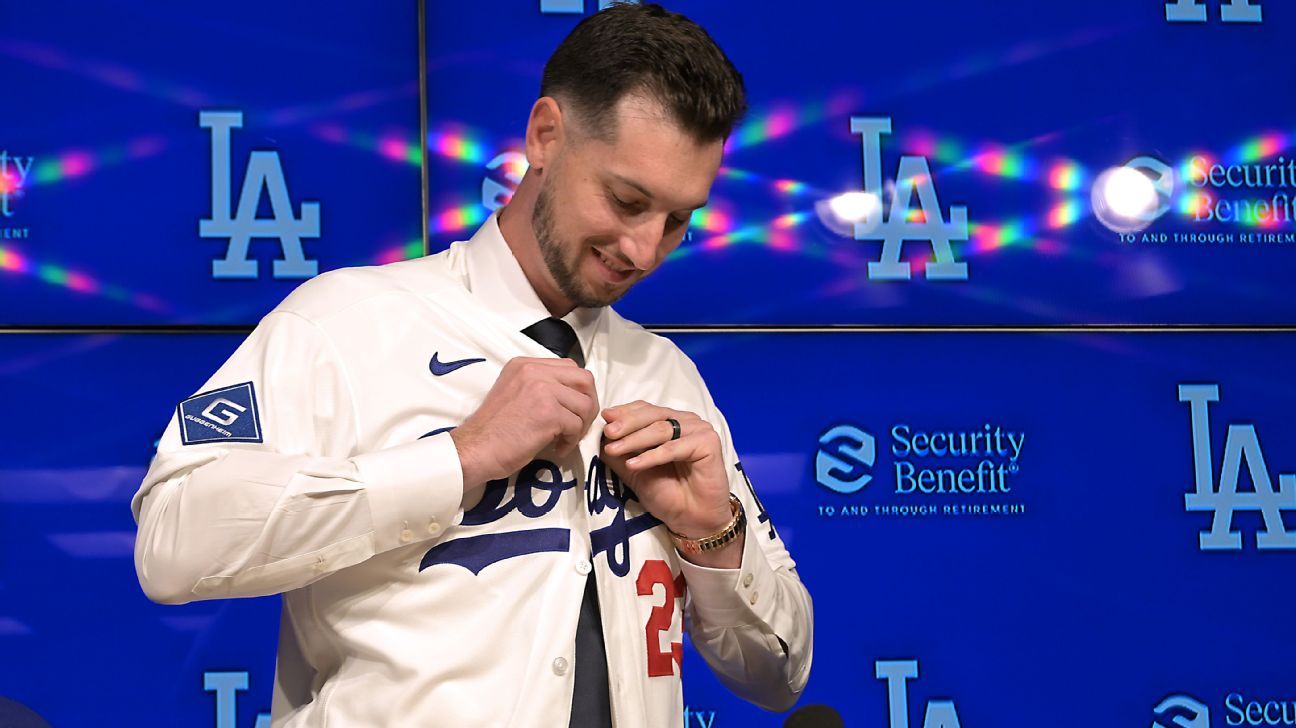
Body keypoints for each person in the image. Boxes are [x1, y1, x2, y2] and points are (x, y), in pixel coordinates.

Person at [132, 4, 812, 726]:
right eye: (626, 200)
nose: (644, 249)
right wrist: (457, 459)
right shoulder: (342, 323)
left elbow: (780, 676)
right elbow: (171, 542)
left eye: (677, 220)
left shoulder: (666, 374)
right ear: (545, 136)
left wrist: (713, 535)